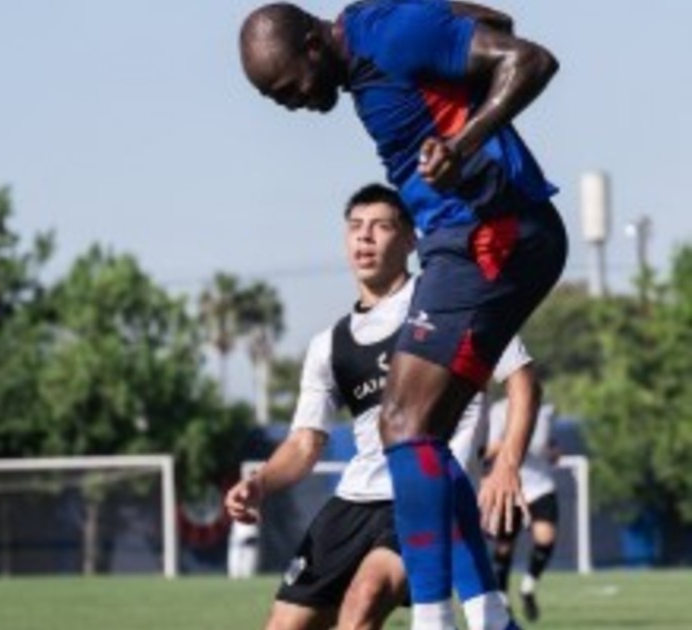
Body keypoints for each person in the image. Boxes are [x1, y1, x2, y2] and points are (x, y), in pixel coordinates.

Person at [239, 3, 567, 627]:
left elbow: (530, 60)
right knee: (422, 438)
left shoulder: (387, 33)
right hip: (468, 239)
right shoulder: (376, 30)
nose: (290, 103)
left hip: (487, 234)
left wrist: (464, 142)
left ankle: (433, 617)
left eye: (287, 87)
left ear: (312, 44)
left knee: (402, 425)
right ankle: (488, 615)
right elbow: (497, 22)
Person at [225, 184, 539, 629]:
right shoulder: (328, 345)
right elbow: (304, 444)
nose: (365, 237)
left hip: (422, 492)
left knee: (364, 599)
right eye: (355, 227)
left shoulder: (447, 303)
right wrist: (260, 483)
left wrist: (507, 464)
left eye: (380, 226)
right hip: (353, 501)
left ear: (410, 239)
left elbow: (523, 379)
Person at [486, 398, 560, 622]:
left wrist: (553, 452)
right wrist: (515, 441)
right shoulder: (499, 410)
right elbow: (489, 450)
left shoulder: (546, 410)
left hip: (540, 486)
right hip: (510, 486)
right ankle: (502, 599)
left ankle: (528, 587)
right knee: (504, 546)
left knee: (546, 538)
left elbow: (550, 445)